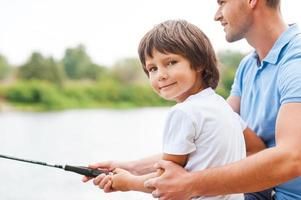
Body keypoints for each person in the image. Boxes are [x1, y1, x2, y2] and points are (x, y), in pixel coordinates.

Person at [83, 19, 266, 199]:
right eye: (152, 68)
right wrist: (131, 168)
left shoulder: (183, 113)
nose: (161, 75)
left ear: (199, 63)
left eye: (171, 62)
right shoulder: (222, 107)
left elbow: (166, 182)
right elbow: (257, 148)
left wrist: (128, 182)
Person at [139, 0, 300, 199]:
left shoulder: (297, 60)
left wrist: (188, 184)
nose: (217, 15)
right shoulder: (247, 67)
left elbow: (293, 158)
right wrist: (129, 167)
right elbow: (210, 139)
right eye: (152, 69)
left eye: (222, 2)